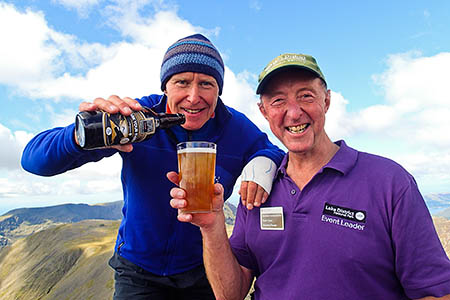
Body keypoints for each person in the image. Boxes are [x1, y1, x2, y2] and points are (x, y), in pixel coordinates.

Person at [21, 34, 284, 299]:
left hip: (203, 269)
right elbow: (33, 160)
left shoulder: (235, 128)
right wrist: (81, 134)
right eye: (182, 82)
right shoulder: (136, 117)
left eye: (206, 83)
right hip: (137, 272)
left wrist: (263, 163)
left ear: (219, 90)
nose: (194, 97)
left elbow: (273, 151)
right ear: (165, 87)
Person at [169, 53, 450, 299]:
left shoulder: (390, 182)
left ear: (326, 101)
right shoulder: (256, 191)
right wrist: (211, 227)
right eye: (278, 101)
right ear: (264, 112)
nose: (293, 112)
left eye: (306, 96)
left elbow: (435, 291)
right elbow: (230, 294)